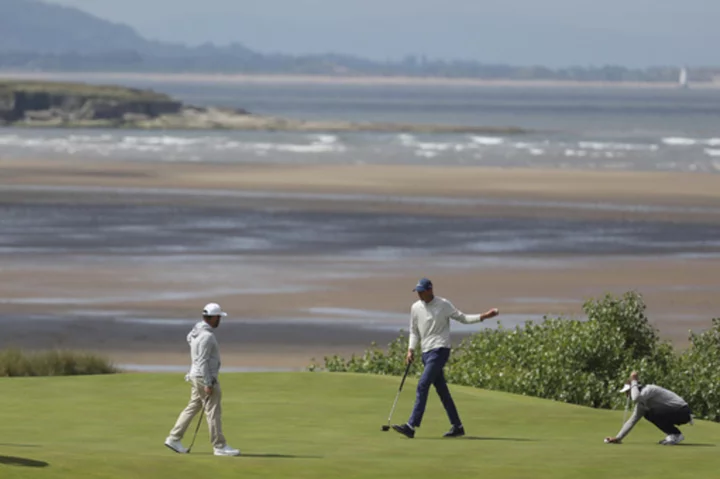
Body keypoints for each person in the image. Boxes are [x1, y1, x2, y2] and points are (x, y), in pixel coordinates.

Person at [392, 278, 500, 438]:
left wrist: (483, 316)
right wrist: (410, 349)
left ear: (430, 290)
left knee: (422, 385)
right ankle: (457, 426)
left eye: (422, 291)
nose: (420, 294)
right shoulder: (415, 308)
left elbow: (462, 318)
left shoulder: (443, 305)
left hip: (440, 350)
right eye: (418, 292)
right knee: (442, 391)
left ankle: (411, 426)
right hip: (426, 352)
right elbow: (414, 331)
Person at [164, 302, 241, 456]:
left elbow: (189, 340)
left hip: (194, 375)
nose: (219, 320)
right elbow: (203, 361)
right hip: (204, 376)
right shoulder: (207, 336)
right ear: (211, 318)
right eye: (218, 317)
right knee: (213, 411)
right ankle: (219, 446)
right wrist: (208, 382)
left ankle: (174, 438)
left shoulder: (196, 331)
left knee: (193, 407)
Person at [605, 371, 693, 446]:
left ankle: (676, 435)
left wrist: (634, 380)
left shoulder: (649, 390)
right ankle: (674, 434)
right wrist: (618, 438)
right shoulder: (641, 404)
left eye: (628, 392)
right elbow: (632, 421)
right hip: (674, 412)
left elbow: (635, 397)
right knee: (648, 414)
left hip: (682, 411)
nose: (627, 395)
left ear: (636, 388)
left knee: (651, 413)